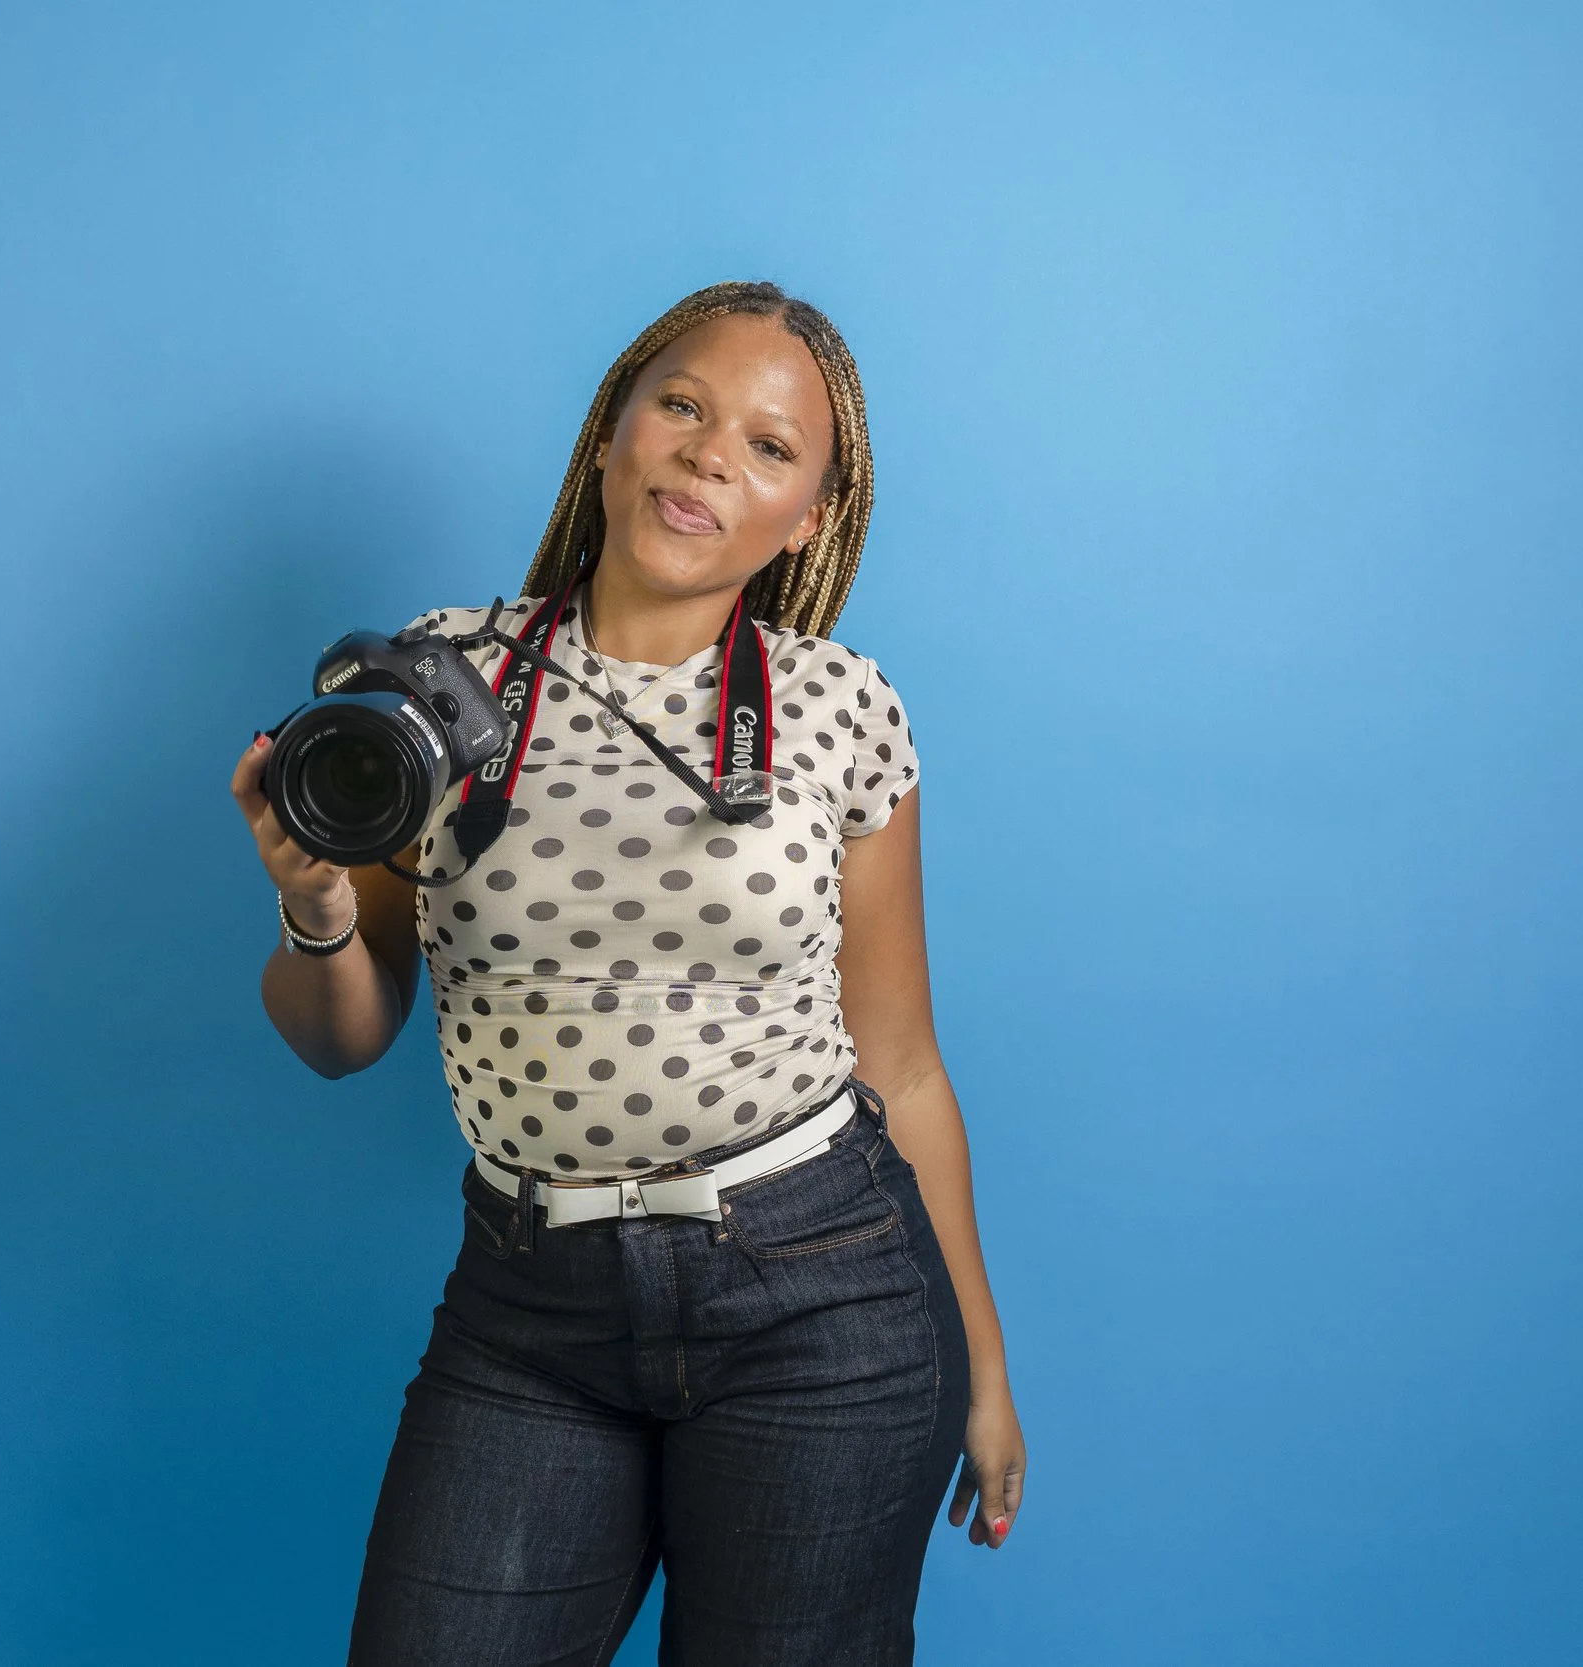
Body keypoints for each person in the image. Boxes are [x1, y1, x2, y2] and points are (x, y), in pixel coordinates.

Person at [231, 281, 1025, 1666]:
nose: (711, 456)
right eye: (683, 407)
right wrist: (314, 907)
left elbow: (900, 1064)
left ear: (809, 517)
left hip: (824, 1295)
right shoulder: (442, 679)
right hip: (527, 1310)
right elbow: (342, 1036)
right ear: (614, 433)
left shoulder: (842, 706)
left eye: (770, 448)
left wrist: (987, 1366)